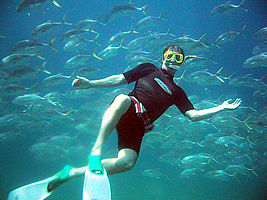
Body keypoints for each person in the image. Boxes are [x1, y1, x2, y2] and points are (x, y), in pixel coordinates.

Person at [13, 45, 243, 195]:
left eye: (178, 58)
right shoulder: (147, 68)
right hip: (126, 108)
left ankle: (69, 173)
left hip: (138, 127)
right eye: (169, 56)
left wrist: (221, 108)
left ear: (182, 63)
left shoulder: (178, 91)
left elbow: (193, 116)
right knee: (123, 98)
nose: (172, 60)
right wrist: (90, 84)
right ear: (162, 58)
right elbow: (118, 80)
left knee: (127, 163)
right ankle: (96, 149)